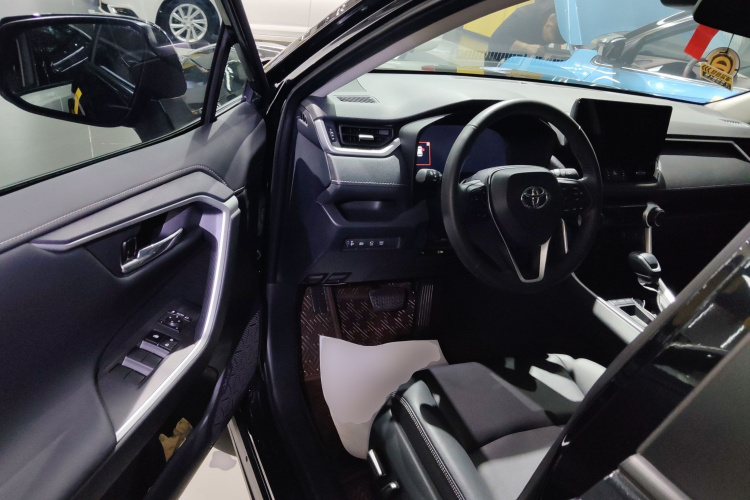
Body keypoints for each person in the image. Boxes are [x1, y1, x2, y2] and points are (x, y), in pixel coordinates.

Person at [486, 0, 566, 63]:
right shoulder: (523, 16)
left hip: (521, 61)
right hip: (497, 57)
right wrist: (526, 47)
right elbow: (497, 39)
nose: (546, 43)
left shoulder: (560, 12)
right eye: (548, 40)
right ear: (548, 26)